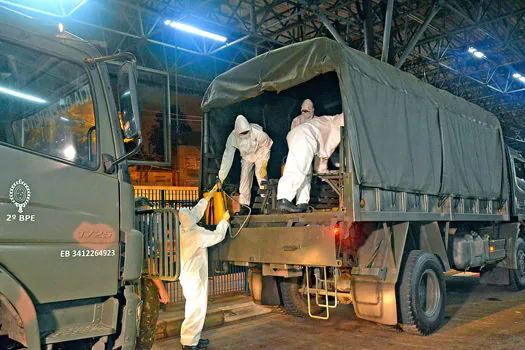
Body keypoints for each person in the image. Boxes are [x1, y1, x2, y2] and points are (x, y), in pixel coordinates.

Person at [179, 185, 230, 350]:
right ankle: (189, 344)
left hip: (189, 275)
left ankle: (193, 339)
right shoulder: (197, 234)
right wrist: (224, 221)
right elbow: (218, 235)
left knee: (195, 309)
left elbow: (195, 213)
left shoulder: (183, 229)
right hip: (194, 278)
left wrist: (208, 198)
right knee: (196, 309)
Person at [277, 113, 344, 213]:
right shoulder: (336, 125)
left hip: (300, 134)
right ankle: (284, 198)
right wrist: (336, 168)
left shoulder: (328, 122)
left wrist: (325, 172)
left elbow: (322, 156)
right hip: (304, 134)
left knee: (306, 172)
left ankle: (302, 203)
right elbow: (328, 151)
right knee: (298, 167)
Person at [218, 115, 273, 215]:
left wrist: (264, 163)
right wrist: (221, 176)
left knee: (260, 176)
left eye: (246, 132)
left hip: (260, 153)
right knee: (244, 178)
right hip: (246, 156)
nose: (244, 134)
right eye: (242, 133)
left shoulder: (257, 132)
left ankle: (266, 202)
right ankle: (244, 205)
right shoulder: (232, 137)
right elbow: (227, 157)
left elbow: (267, 145)